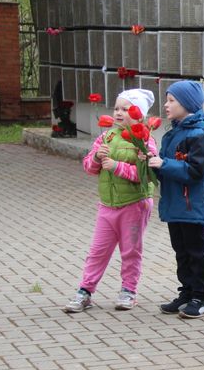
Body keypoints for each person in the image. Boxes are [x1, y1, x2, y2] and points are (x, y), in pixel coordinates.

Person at [63, 89, 157, 313]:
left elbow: (147, 175)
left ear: (140, 115)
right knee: (97, 251)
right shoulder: (106, 137)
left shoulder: (145, 140)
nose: (119, 113)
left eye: (126, 109)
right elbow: (89, 167)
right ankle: (85, 291)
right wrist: (96, 157)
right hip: (107, 205)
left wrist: (118, 167)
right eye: (116, 108)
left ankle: (128, 291)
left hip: (135, 204)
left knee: (130, 250)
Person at [149, 80, 204, 319]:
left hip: (191, 203)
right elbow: (167, 168)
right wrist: (152, 162)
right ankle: (187, 292)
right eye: (167, 100)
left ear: (187, 104)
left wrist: (164, 163)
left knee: (196, 250)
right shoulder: (174, 132)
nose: (166, 105)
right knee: (181, 250)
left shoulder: (200, 133)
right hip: (174, 202)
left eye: (171, 101)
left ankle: (202, 296)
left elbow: (197, 170)